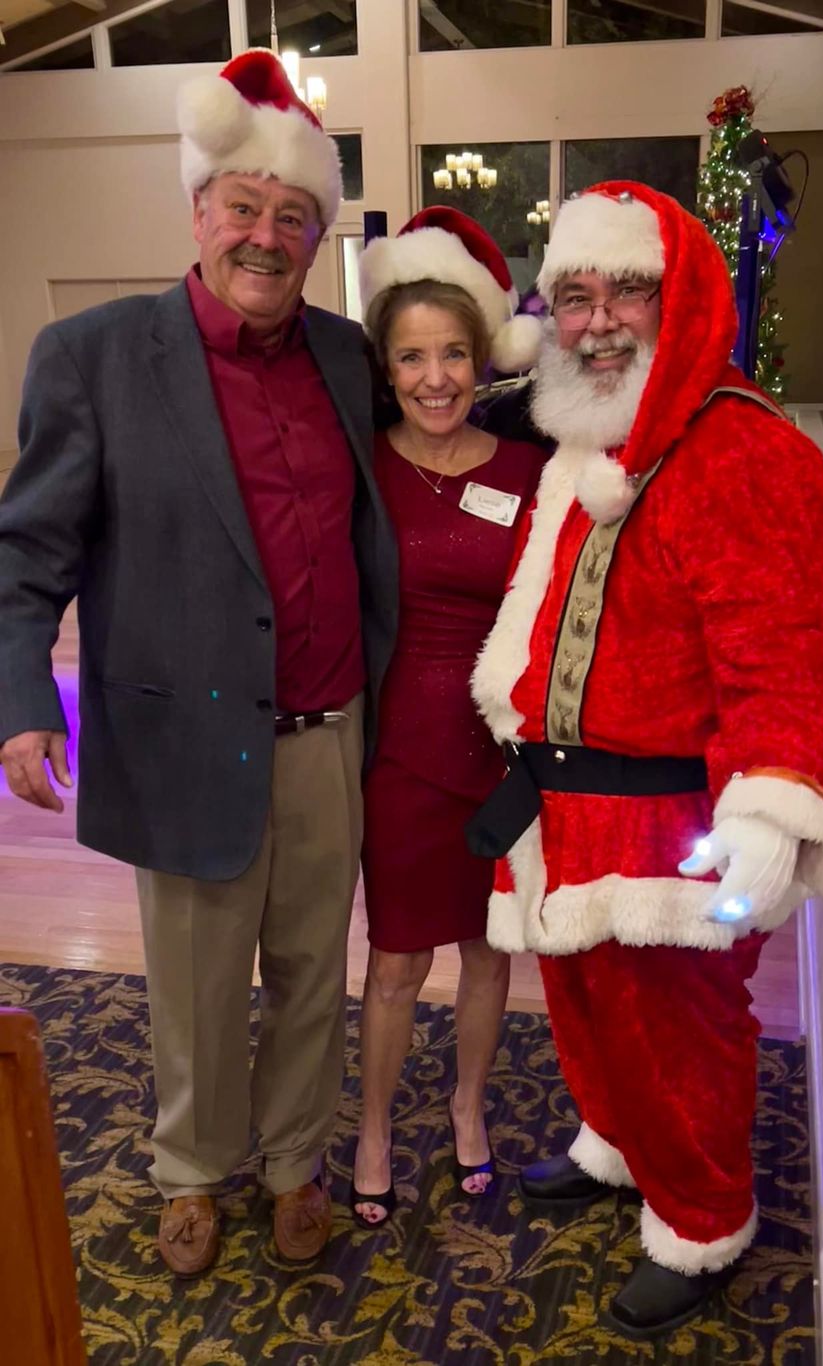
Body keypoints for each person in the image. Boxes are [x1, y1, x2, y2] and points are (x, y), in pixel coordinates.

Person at [0, 48, 397, 1278]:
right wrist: (22, 699)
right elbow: (28, 550)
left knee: (313, 974)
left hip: (328, 730)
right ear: (198, 211)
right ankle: (189, 1171)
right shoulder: (95, 356)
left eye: (293, 216)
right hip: (182, 737)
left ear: (318, 234)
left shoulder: (347, 356)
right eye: (243, 207)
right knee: (196, 983)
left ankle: (294, 1162)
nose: (265, 237)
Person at [470, 182, 823, 1337]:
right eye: (574, 295)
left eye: (625, 290)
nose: (596, 321)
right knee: (587, 1009)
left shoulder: (746, 449)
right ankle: (620, 1147)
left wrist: (771, 810)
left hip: (666, 820)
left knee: (678, 1032)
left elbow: (788, 651)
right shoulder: (584, 442)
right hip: (563, 803)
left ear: (681, 302)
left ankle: (703, 1216)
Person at [349, 207, 545, 1225]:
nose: (436, 378)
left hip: (500, 753)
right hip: (398, 753)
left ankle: (468, 1105)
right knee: (395, 959)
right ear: (387, 369)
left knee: (487, 949)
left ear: (482, 358)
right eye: (413, 357)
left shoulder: (527, 471)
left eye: (454, 354)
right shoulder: (360, 470)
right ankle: (375, 1125)